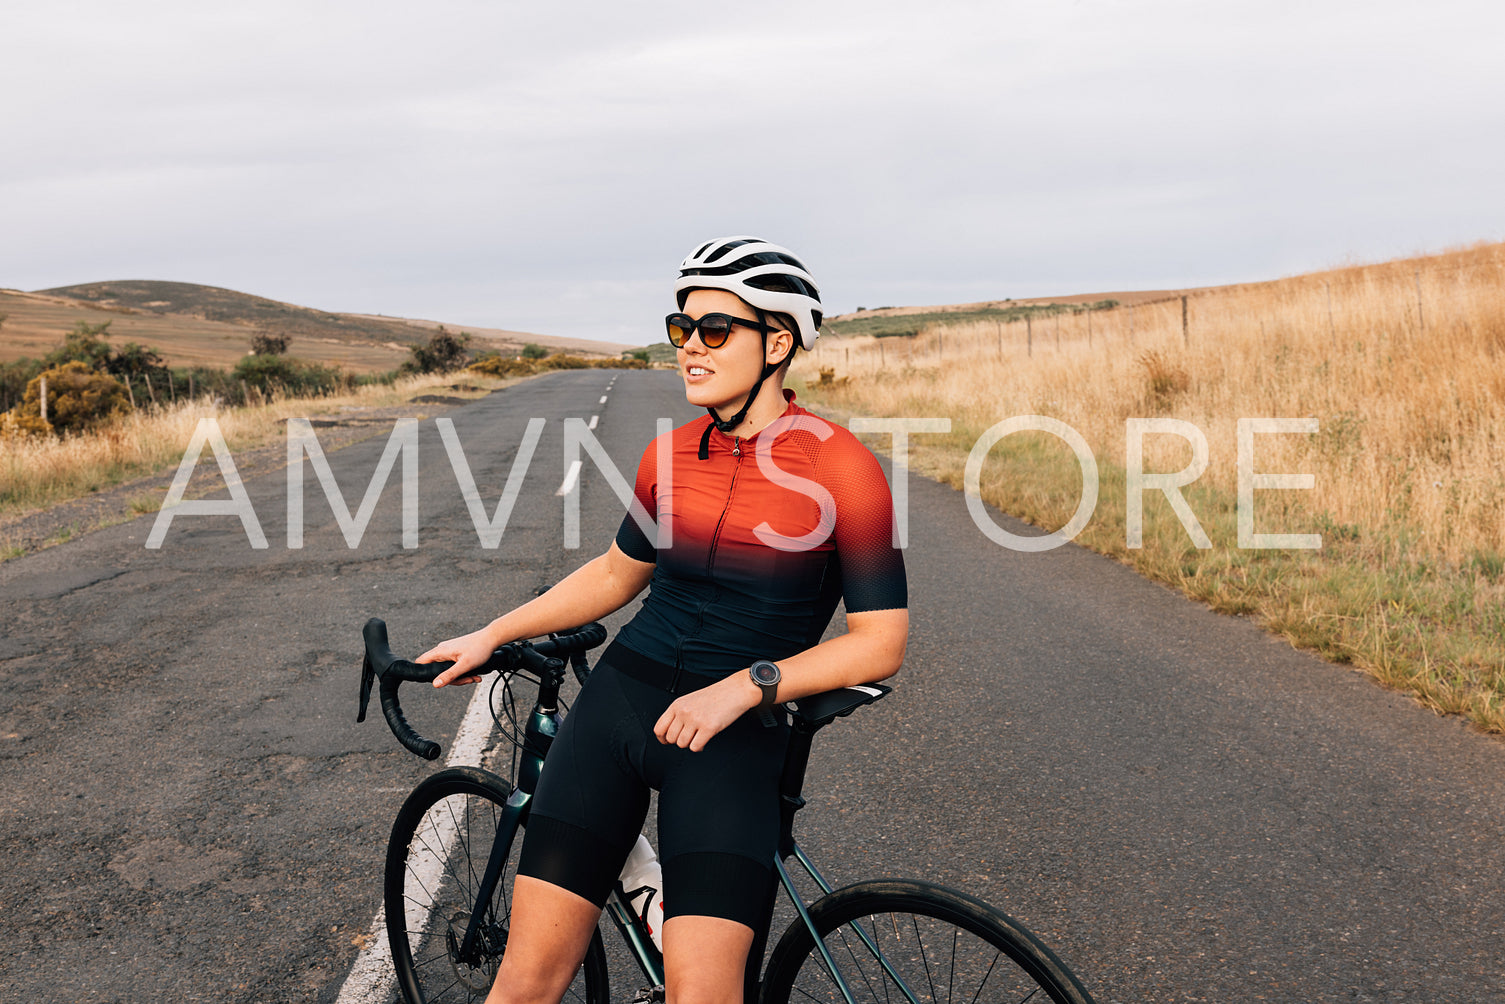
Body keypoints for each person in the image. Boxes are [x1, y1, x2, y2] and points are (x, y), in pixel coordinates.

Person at [418, 236, 909, 1004]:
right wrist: (494, 632)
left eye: (716, 330)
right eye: (683, 328)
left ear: (777, 342)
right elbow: (619, 573)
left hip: (730, 738)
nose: (690, 348)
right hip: (618, 709)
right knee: (522, 984)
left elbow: (880, 642)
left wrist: (748, 686)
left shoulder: (839, 467)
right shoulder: (670, 457)